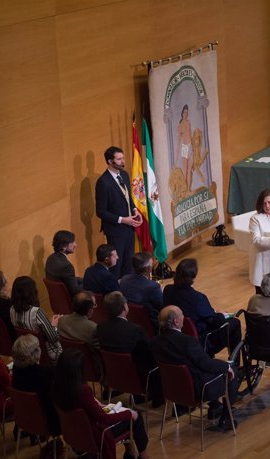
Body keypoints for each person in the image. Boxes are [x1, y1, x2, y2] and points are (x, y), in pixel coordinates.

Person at [152, 305, 238, 431]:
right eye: (182, 314)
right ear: (176, 321)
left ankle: (215, 406)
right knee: (232, 370)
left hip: (172, 388)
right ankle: (226, 418)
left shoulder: (155, 342)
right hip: (198, 389)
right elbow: (206, 364)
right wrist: (227, 366)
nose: (184, 317)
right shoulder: (187, 341)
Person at [53, 348, 148, 459]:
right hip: (95, 435)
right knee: (135, 415)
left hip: (76, 433)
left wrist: (95, 403)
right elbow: (104, 419)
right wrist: (130, 414)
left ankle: (130, 453)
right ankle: (144, 456)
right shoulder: (82, 391)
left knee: (124, 407)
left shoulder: (57, 387)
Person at [163, 258, 241, 355]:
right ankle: (235, 365)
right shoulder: (198, 298)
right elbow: (215, 322)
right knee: (235, 323)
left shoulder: (167, 290)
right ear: (193, 277)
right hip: (201, 340)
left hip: (176, 336)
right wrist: (221, 315)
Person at [95, 291, 161, 405]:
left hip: (113, 376)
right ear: (124, 308)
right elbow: (148, 356)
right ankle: (157, 398)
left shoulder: (100, 328)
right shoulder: (135, 330)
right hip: (137, 378)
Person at [95, 146, 143, 278]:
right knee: (117, 265)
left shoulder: (125, 175)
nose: (122, 161)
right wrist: (123, 219)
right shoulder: (103, 182)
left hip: (129, 228)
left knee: (129, 263)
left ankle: (127, 292)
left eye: (122, 158)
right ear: (110, 161)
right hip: (115, 231)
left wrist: (135, 210)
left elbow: (128, 198)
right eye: (119, 159)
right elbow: (100, 212)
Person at [11, 334, 60, 437]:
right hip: (51, 423)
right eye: (38, 347)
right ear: (35, 354)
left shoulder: (16, 371)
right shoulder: (46, 373)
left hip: (25, 420)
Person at [10, 276, 62, 364]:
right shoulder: (37, 313)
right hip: (45, 353)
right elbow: (54, 338)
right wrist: (54, 325)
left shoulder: (11, 310)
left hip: (25, 352)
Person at [120, 252, 163, 329]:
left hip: (129, 323)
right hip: (151, 326)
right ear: (147, 269)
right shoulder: (153, 287)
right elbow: (163, 307)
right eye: (151, 265)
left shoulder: (124, 280)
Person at [45, 230, 83, 298]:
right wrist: (89, 283)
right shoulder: (67, 267)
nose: (75, 245)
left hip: (58, 300)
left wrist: (85, 280)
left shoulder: (50, 259)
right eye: (72, 242)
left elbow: (68, 279)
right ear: (64, 247)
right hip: (72, 302)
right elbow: (75, 292)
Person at [177, 104, 193, 189]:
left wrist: (193, 147)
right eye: (184, 112)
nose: (185, 114)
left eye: (187, 112)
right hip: (184, 148)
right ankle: (185, 189)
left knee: (189, 171)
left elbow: (190, 133)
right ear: (182, 113)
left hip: (190, 145)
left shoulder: (189, 122)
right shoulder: (180, 125)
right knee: (185, 170)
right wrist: (176, 159)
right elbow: (179, 141)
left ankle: (189, 189)